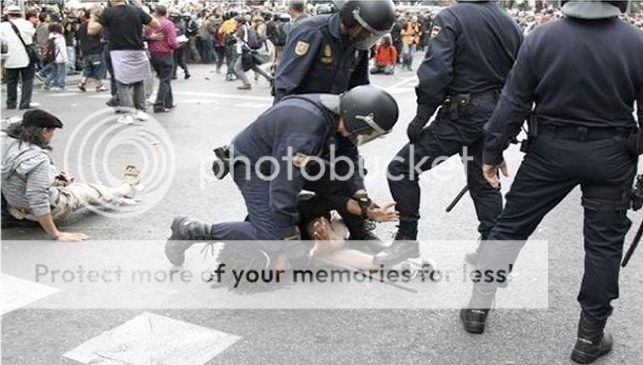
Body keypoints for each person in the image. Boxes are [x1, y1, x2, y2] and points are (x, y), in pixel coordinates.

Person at [459, 2, 643, 364]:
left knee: (510, 226)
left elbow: (513, 101)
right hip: (611, 156)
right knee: (604, 245)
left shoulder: (542, 37)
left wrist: (492, 153)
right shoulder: (636, 42)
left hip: (549, 153)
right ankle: (589, 337)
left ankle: (479, 306)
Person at [164, 86, 399, 267]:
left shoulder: (335, 114)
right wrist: (289, 238)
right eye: (369, 131)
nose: (367, 136)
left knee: (342, 176)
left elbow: (350, 159)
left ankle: (359, 232)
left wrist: (363, 199)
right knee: (271, 235)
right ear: (359, 120)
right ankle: (191, 230)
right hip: (254, 167)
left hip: (279, 162)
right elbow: (284, 186)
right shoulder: (305, 129)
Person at [375, 0, 523, 265]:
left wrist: (422, 115)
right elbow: (521, 74)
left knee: (401, 169)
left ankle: (407, 240)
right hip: (496, 112)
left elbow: (437, 70)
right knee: (484, 181)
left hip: (463, 114)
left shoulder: (451, 16)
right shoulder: (509, 22)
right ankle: (492, 254)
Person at [1, 109, 141, 241]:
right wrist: (56, 234)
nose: (52, 136)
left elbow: (22, 178)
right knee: (88, 190)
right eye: (52, 132)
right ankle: (126, 187)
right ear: (44, 131)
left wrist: (55, 181)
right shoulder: (37, 159)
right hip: (46, 210)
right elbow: (37, 198)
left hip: (13, 208)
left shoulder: (6, 143)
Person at [273, 0, 396, 102]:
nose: (368, 36)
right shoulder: (312, 32)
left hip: (334, 116)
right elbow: (286, 85)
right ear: (352, 19)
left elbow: (359, 85)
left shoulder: (358, 42)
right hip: (303, 111)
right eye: (366, 31)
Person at [87, 0, 161, 125]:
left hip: (119, 51)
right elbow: (156, 24)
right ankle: (141, 110)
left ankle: (127, 114)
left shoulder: (108, 13)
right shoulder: (136, 10)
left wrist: (93, 16)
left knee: (123, 83)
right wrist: (140, 9)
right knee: (138, 80)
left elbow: (91, 30)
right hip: (138, 50)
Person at [144, 5, 180, 114]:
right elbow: (172, 41)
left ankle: (169, 102)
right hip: (165, 53)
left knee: (164, 78)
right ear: (166, 13)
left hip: (153, 54)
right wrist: (178, 45)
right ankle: (159, 104)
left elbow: (145, 36)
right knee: (165, 80)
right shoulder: (168, 24)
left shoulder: (149, 24)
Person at [1, 5, 37, 110]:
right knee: (27, 80)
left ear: (8, 15)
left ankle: (11, 103)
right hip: (26, 56)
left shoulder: (3, 26)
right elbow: (33, 33)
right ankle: (25, 103)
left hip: (9, 57)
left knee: (11, 81)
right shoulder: (26, 24)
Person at [77, 10, 107, 92]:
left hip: (85, 49)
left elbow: (79, 37)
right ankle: (99, 85)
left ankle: (82, 83)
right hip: (95, 49)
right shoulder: (95, 26)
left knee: (88, 68)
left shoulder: (81, 25)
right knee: (97, 67)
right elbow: (101, 38)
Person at [42, 23, 67, 91]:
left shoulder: (50, 37)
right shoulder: (60, 37)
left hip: (52, 56)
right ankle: (61, 85)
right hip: (60, 57)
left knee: (54, 71)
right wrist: (65, 58)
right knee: (62, 71)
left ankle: (46, 83)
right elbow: (62, 49)